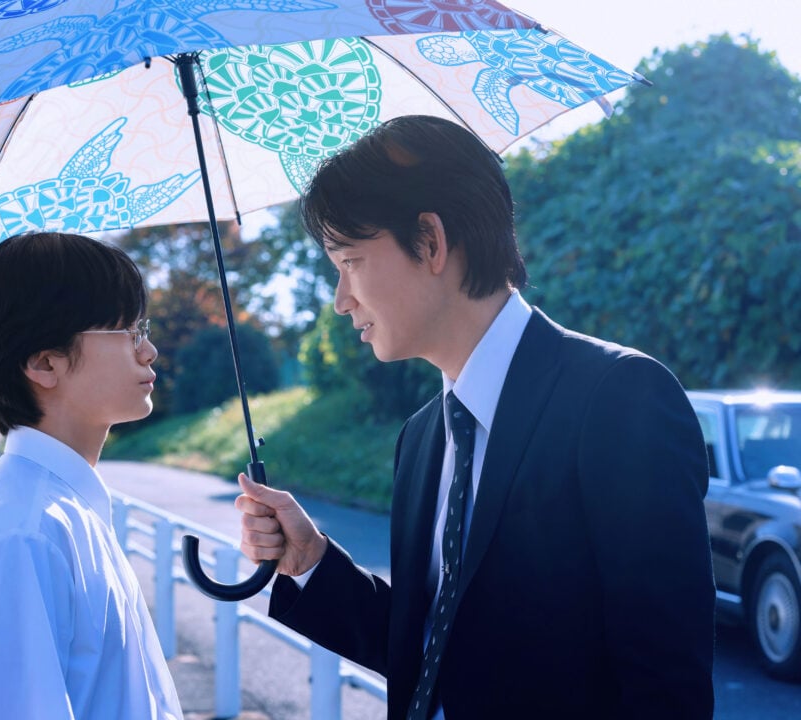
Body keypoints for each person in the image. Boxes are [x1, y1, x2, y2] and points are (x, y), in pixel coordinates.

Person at [236, 116, 715, 719]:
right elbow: (437, 651)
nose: (340, 298)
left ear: (430, 241)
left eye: (350, 260)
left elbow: (666, 687)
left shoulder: (619, 398)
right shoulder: (421, 437)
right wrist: (311, 563)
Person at [0, 232, 181, 719]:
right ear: (45, 363)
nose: (148, 351)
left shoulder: (58, 511)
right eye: (128, 332)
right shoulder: (21, 535)